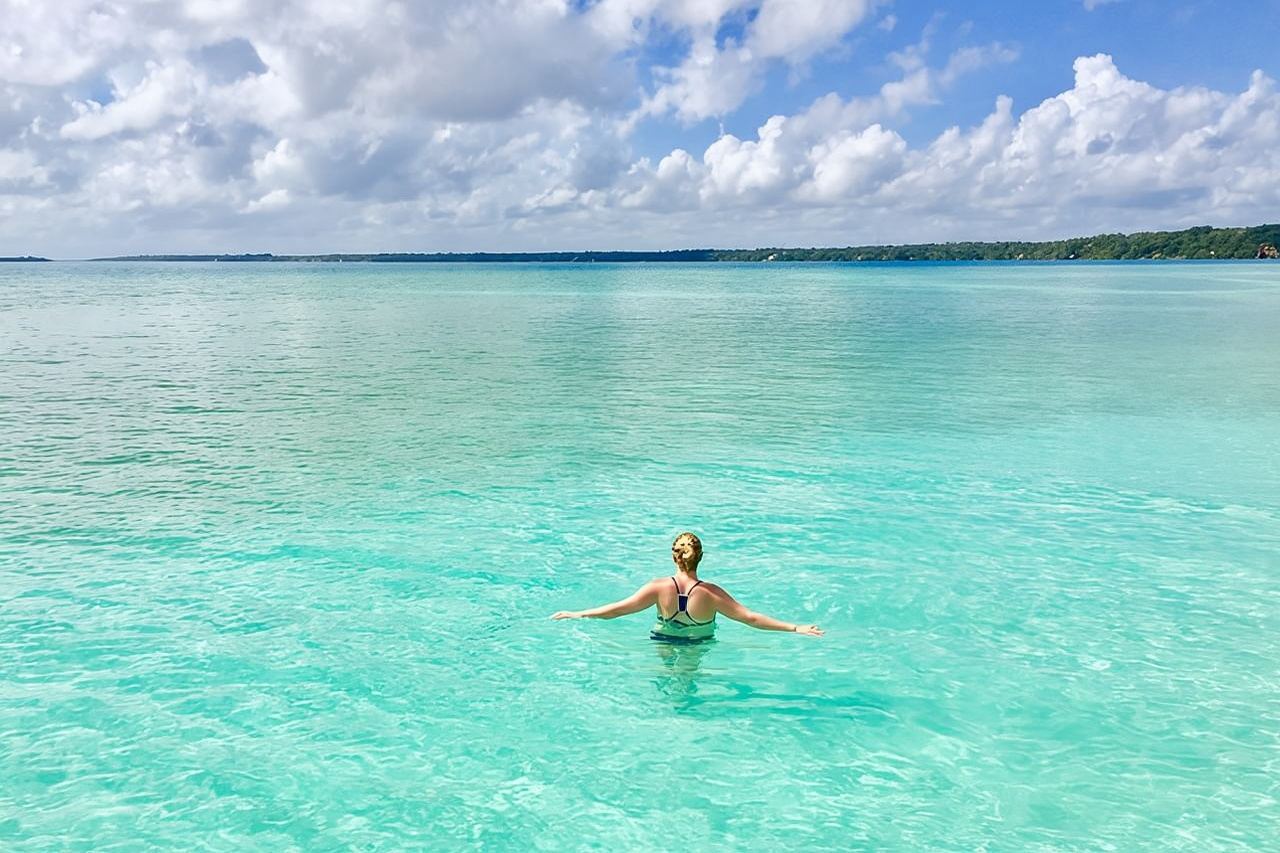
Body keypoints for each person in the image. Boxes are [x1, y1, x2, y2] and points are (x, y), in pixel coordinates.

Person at [551, 532, 824, 640]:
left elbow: (617, 610)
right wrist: (796, 627)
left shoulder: (658, 587)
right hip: (697, 644)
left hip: (662, 640)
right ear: (701, 557)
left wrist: (576, 614)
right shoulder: (711, 594)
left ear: (673, 556)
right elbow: (751, 618)